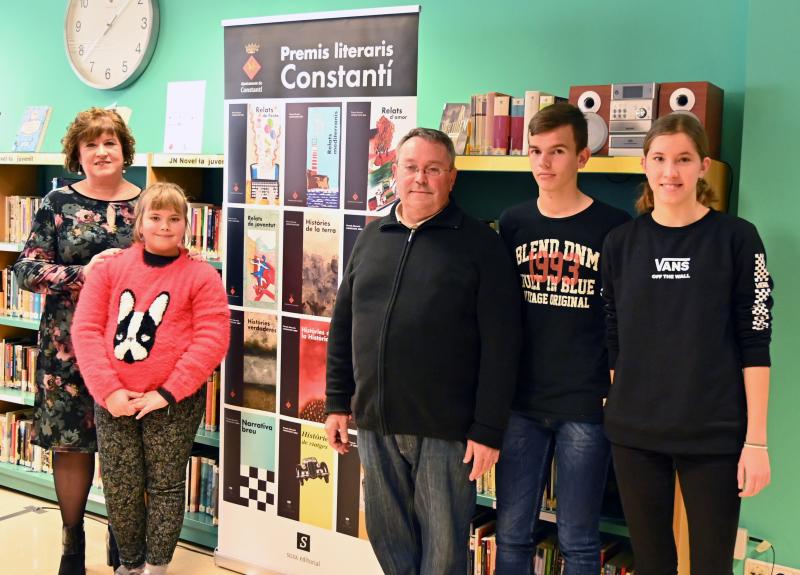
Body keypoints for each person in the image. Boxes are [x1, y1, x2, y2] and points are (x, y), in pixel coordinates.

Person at [325, 127, 521, 575]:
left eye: (433, 169)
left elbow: (502, 345)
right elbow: (344, 325)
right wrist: (337, 402)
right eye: (411, 167)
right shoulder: (372, 236)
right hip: (376, 422)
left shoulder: (481, 245)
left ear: (452, 177)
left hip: (446, 431)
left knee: (444, 547)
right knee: (387, 537)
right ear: (394, 172)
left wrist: (489, 429)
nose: (420, 178)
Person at [601, 113, 773, 574]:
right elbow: (614, 335)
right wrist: (621, 397)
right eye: (659, 158)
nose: (670, 172)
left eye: (683, 159)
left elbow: (756, 340)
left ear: (703, 166)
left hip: (713, 432)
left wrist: (756, 442)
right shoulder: (620, 243)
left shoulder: (737, 239)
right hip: (635, 434)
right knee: (652, 563)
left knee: (711, 566)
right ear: (644, 164)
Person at [494, 103, 631, 574]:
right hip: (521, 402)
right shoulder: (513, 222)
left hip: (586, 404)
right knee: (511, 532)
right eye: (535, 151)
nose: (544, 162)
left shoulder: (613, 226)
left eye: (557, 151)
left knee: (578, 538)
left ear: (582, 157)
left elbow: (624, 316)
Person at [71, 182, 230, 575]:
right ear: (139, 222)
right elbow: (86, 329)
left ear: (187, 225)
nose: (164, 226)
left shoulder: (201, 276)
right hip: (115, 401)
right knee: (121, 487)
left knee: (165, 485)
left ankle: (156, 568)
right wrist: (110, 392)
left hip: (172, 404)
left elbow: (212, 338)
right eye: (155, 217)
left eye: (174, 218)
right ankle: (129, 565)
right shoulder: (111, 269)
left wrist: (168, 392)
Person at [13, 107, 141, 575]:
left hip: (131, 348)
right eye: (91, 144)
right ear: (77, 154)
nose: (102, 152)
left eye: (110, 142)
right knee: (71, 444)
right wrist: (81, 273)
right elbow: (26, 270)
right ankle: (72, 541)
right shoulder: (56, 203)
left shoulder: (147, 204)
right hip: (67, 348)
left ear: (124, 150)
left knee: (126, 447)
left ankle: (123, 534)